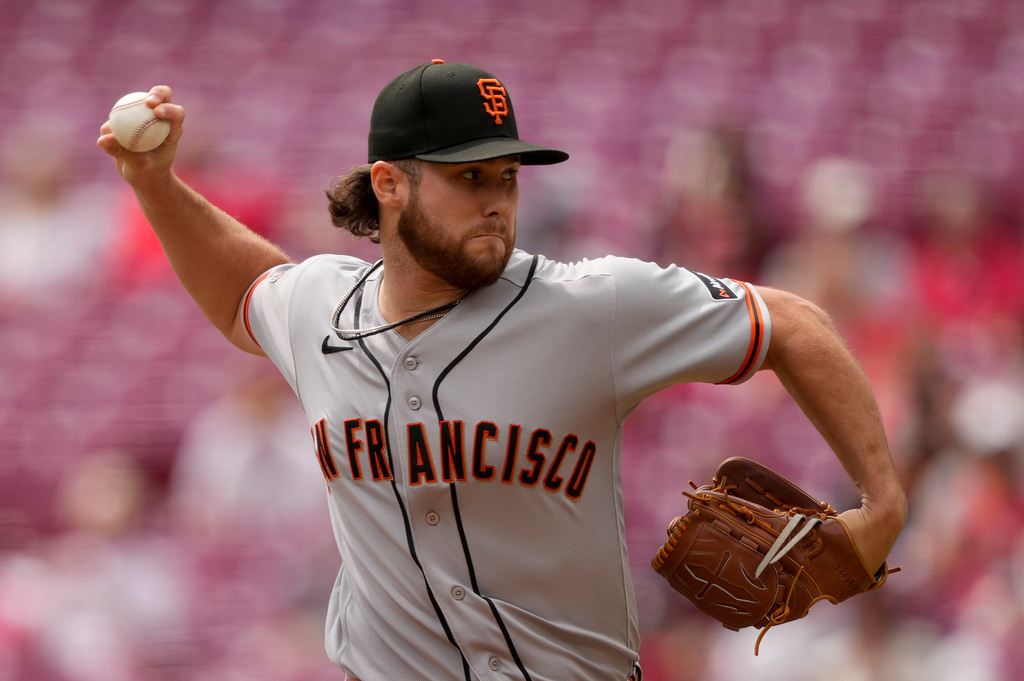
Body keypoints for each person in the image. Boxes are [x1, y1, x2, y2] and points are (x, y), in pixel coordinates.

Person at [97, 60, 908, 681]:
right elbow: (245, 287)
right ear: (389, 185)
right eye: (468, 177)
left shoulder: (593, 306)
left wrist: (884, 500)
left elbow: (795, 324)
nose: (497, 199)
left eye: (508, 177)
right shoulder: (321, 309)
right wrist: (157, 184)